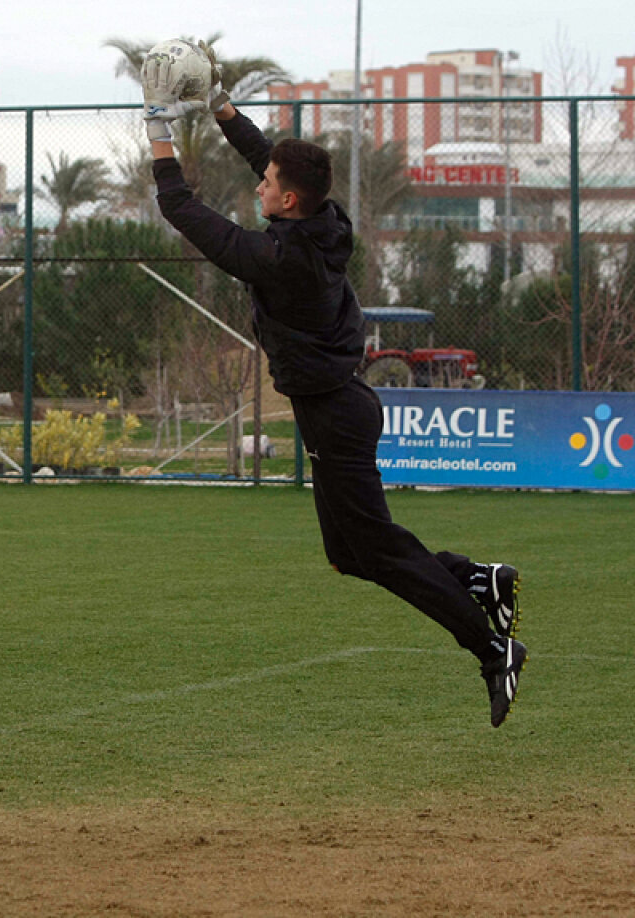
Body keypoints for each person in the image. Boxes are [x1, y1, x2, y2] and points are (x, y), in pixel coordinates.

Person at [141, 44, 526, 727]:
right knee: (349, 555)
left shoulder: (279, 260)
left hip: (339, 415)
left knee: (374, 548)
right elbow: (269, 155)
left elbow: (178, 205)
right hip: (340, 410)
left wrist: (158, 122)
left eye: (266, 185)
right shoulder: (324, 221)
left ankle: (491, 645)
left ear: (287, 200)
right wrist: (221, 104)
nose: (258, 186)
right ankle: (474, 576)